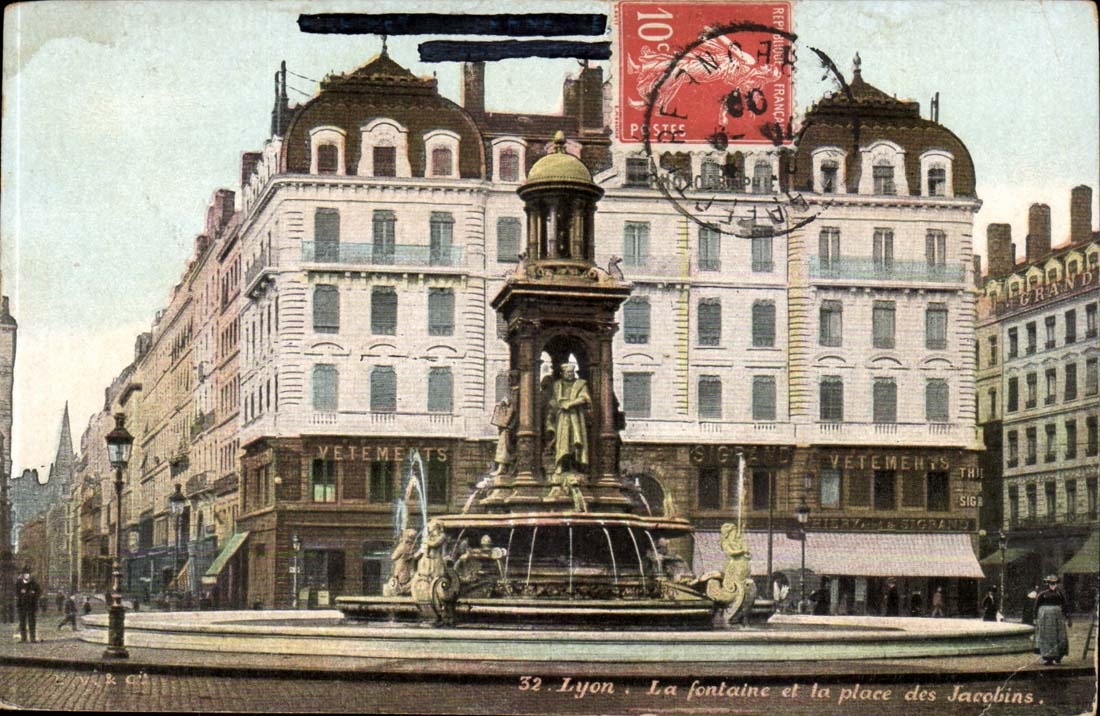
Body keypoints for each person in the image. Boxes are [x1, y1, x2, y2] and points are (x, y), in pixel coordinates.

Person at [545, 363, 591, 476]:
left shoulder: (581, 384)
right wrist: (551, 413)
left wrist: (570, 404)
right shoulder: (557, 385)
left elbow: (584, 398)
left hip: (576, 416)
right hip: (561, 417)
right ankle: (561, 464)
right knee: (562, 441)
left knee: (576, 440)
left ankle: (576, 465)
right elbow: (553, 400)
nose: (570, 374)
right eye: (568, 372)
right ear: (562, 373)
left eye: (572, 372)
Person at [1033, 575, 1071, 665]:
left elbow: (1065, 605)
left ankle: (1059, 656)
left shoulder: (1059, 594)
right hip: (1045, 618)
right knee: (1047, 636)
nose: (1053, 585)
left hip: (1058, 617)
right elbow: (1036, 606)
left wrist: (1068, 617)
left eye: (1055, 583)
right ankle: (1048, 658)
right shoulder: (1042, 594)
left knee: (1060, 636)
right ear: (1047, 583)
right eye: (1051, 583)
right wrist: (1035, 618)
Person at [14, 568, 42, 643]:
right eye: (25, 574)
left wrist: (33, 595)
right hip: (21, 606)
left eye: (28, 574)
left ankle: (33, 638)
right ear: (22, 575)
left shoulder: (34, 584)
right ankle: (23, 638)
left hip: (31, 606)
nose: (27, 576)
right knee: (22, 622)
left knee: (32, 622)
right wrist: (23, 595)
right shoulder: (18, 584)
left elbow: (38, 592)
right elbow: (17, 593)